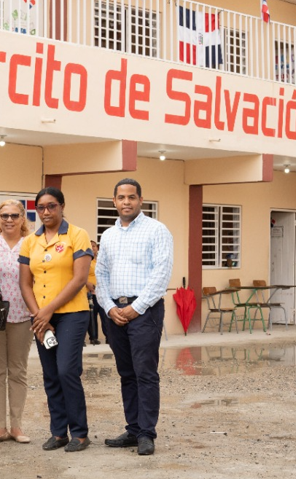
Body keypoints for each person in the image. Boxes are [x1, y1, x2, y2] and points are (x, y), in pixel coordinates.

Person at [95, 178, 173, 457]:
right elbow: (100, 274)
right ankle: (133, 428)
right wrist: (108, 307)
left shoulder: (156, 230)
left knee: (145, 373)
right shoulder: (108, 235)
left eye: (131, 197)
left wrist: (136, 308)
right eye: (121, 197)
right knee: (126, 373)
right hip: (115, 313)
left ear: (141, 200)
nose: (126, 202)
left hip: (145, 312)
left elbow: (161, 274)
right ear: (114, 201)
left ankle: (146, 433)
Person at [18, 187, 93, 453]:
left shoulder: (77, 235)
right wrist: (39, 315)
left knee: (66, 371)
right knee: (50, 375)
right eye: (41, 208)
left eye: (51, 206)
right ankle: (59, 433)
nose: (46, 212)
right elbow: (25, 283)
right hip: (41, 318)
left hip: (72, 314)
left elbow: (80, 279)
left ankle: (80, 434)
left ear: (62, 206)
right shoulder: (30, 241)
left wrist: (48, 310)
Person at [0, 200, 33, 445]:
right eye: (4, 215)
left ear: (23, 218)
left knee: (18, 372)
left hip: (23, 315)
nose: (9, 220)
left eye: (14, 215)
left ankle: (16, 426)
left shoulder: (31, 243)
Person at [85, 240, 108, 345]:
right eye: (90, 246)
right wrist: (87, 284)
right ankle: (93, 337)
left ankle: (109, 337)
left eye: (94, 246)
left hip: (101, 292)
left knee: (105, 316)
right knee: (91, 317)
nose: (92, 248)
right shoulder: (86, 260)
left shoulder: (100, 261)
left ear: (97, 248)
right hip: (89, 293)